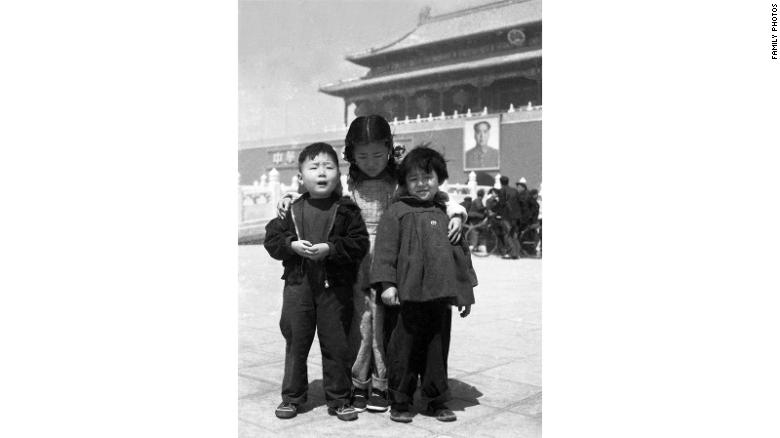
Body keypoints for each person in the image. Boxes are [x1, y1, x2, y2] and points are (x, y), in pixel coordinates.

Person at [276, 115, 466, 414]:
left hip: (396, 256)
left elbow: (434, 194)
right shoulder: (348, 182)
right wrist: (292, 196)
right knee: (361, 322)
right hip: (355, 257)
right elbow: (319, 195)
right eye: (362, 156)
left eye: (378, 154)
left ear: (390, 150)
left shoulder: (398, 180)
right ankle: (358, 383)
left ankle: (383, 383)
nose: (371, 161)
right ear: (351, 155)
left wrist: (456, 212)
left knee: (388, 322)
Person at [264, 143, 370, 421]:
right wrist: (291, 245)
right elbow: (272, 240)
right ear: (301, 177)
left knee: (336, 344)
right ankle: (292, 397)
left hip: (334, 289)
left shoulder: (347, 210)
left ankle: (339, 398)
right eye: (314, 167)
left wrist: (331, 250)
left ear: (339, 174)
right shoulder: (292, 209)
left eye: (328, 166)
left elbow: (358, 243)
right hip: (298, 287)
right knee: (296, 343)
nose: (321, 172)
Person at [371, 146, 477, 424]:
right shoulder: (397, 212)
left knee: (436, 349)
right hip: (405, 299)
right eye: (414, 179)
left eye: (427, 177)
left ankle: (435, 399)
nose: (421, 184)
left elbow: (460, 256)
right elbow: (384, 252)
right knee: (402, 351)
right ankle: (401, 401)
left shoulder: (445, 214)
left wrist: (464, 294)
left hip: (439, 298)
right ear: (405, 182)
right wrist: (387, 284)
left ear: (438, 179)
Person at [498, 176, 524, 259]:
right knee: (513, 234)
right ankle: (517, 252)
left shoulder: (502, 190)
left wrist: (496, 212)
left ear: (500, 182)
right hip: (516, 216)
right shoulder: (514, 190)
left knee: (507, 234)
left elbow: (501, 204)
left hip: (506, 215)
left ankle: (512, 253)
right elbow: (520, 202)